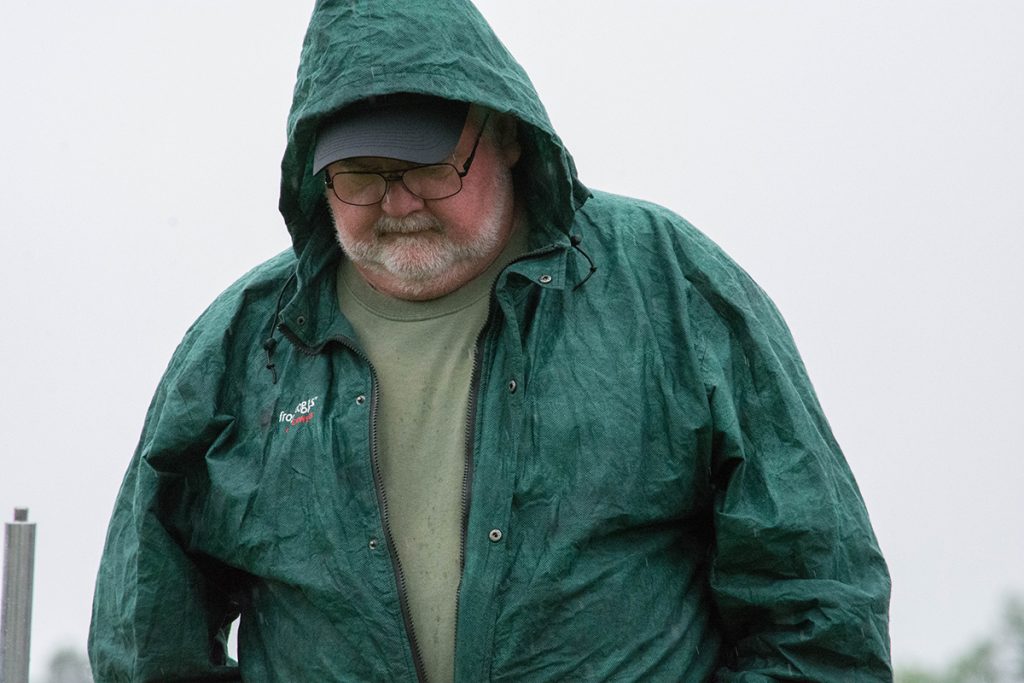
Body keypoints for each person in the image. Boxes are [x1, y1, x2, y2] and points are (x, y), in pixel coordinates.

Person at [88, 1, 892, 681]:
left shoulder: (669, 286)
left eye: (428, 164)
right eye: (359, 174)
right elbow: (143, 630)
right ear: (311, 175)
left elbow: (818, 599)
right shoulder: (241, 342)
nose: (395, 200)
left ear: (505, 133)